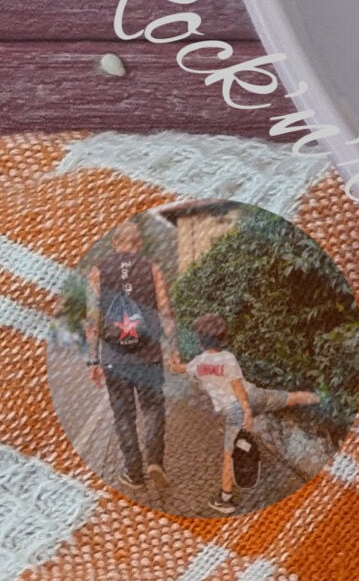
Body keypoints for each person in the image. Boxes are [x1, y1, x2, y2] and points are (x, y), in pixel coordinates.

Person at [184, 314, 318, 513]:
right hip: (255, 396)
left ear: (199, 340)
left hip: (237, 409)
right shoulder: (228, 358)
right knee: (291, 397)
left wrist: (246, 411)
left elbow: (233, 388)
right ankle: (321, 400)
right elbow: (239, 386)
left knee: (229, 454)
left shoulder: (198, 363)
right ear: (222, 338)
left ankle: (225, 499)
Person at [85, 220, 174, 492]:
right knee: (153, 409)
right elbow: (165, 313)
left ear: (115, 243)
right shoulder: (153, 269)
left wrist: (93, 360)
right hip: (149, 356)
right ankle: (155, 461)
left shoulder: (97, 272)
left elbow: (92, 320)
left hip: (115, 359)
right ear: (139, 244)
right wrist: (175, 350)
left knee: (124, 416)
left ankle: (134, 473)